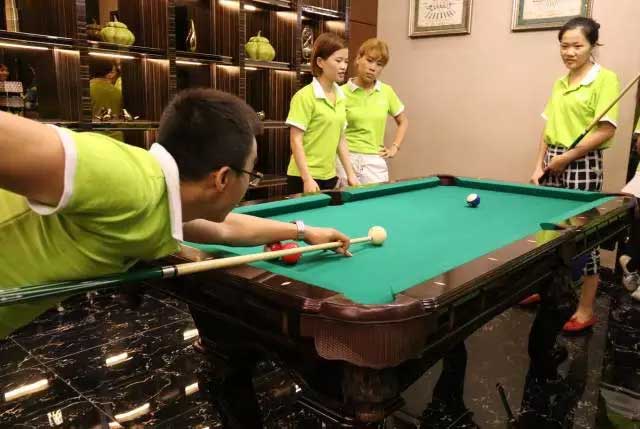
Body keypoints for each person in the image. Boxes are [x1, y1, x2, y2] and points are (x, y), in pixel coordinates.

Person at [0, 88, 351, 338]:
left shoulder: (164, 198)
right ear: (223, 178)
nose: (251, 180)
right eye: (251, 172)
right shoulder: (127, 178)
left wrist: (301, 230)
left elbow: (226, 229)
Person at [527, 17, 620, 333]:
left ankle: (585, 309)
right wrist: (538, 165)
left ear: (593, 45)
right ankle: (543, 288)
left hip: (582, 162)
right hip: (553, 159)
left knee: (582, 236)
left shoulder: (605, 79)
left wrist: (567, 157)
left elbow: (606, 130)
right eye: (564, 45)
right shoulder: (560, 82)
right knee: (547, 228)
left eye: (577, 45)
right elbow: (548, 128)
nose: (569, 52)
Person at [286, 33, 358, 194]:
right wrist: (307, 179)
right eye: (338, 60)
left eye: (346, 61)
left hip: (330, 177)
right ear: (320, 62)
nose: (343, 66)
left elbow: (341, 138)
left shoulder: (341, 96)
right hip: (302, 177)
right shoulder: (304, 96)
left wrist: (350, 174)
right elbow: (295, 140)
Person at [337, 38, 408, 185]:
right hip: (345, 160)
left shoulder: (386, 91)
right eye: (369, 61)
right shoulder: (340, 93)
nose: (373, 68)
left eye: (379, 64)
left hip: (374, 161)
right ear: (358, 59)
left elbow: (403, 121)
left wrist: (394, 147)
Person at [90, 61, 124, 141]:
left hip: (95, 138)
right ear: (109, 70)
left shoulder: (86, 90)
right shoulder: (117, 91)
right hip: (116, 138)